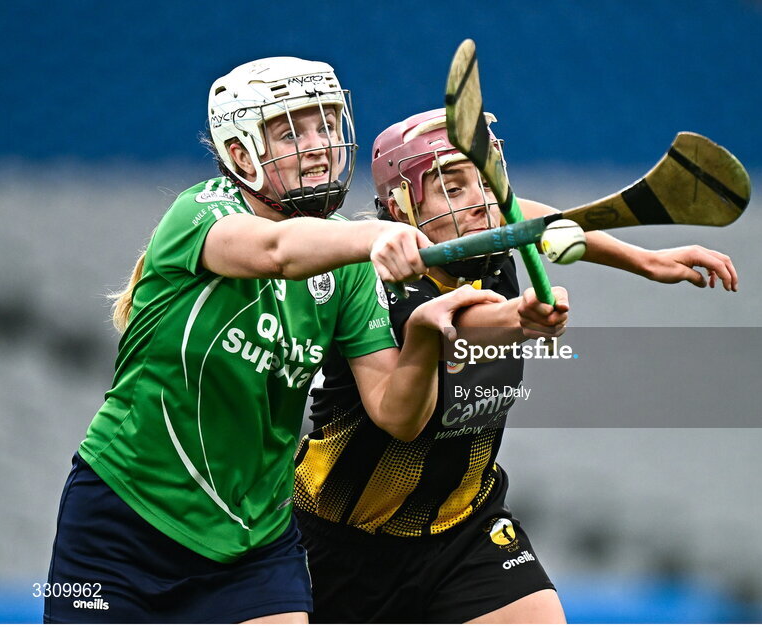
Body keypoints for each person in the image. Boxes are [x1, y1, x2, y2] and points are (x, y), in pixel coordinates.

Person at [42, 59, 511, 624]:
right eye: (292, 131)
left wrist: (421, 339)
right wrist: (377, 234)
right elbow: (277, 251)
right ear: (241, 154)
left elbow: (396, 413)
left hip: (255, 538)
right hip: (124, 521)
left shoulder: (348, 269)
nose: (318, 146)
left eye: (328, 126)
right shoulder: (200, 214)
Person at [292, 109, 738, 623]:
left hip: (464, 527)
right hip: (342, 539)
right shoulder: (372, 272)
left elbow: (527, 214)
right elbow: (448, 323)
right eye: (452, 189)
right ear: (401, 206)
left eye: (485, 182)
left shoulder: (487, 229)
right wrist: (516, 316)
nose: (479, 204)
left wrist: (644, 258)